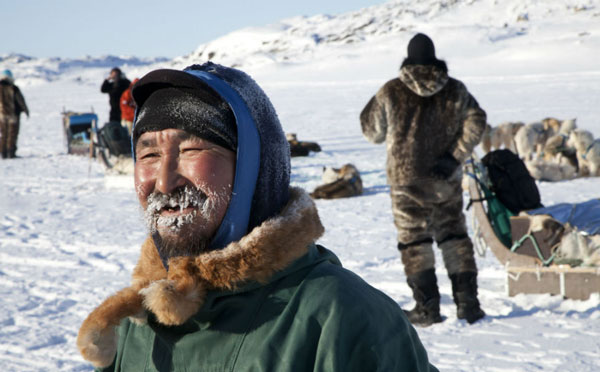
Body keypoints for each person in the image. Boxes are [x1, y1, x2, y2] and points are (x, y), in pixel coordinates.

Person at [78, 62, 438, 371]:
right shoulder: (135, 321)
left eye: (191, 149)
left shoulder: (340, 318)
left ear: (255, 170)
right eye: (149, 155)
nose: (164, 180)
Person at [360, 33, 487, 326]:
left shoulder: (390, 91)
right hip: (445, 179)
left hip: (405, 182)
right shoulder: (456, 90)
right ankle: (468, 305)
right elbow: (477, 122)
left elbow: (372, 132)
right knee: (454, 237)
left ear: (408, 58)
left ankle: (427, 308)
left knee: (414, 242)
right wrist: (454, 156)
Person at [0, 69, 29, 159]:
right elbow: (20, 100)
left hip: (1, 115)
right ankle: (11, 152)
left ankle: (3, 153)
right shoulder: (14, 88)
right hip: (13, 115)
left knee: (3, 134)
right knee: (12, 134)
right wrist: (26, 110)